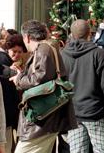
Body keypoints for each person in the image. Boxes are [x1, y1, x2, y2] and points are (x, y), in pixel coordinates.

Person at [12, 20, 76, 153]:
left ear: (27, 37)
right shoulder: (47, 48)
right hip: (47, 118)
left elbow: (39, 78)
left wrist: (19, 79)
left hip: (41, 120)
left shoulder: (43, 49)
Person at [62, 19, 104, 153]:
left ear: (71, 34)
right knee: (103, 150)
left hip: (73, 113)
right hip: (96, 112)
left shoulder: (63, 54)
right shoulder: (99, 54)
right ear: (90, 34)